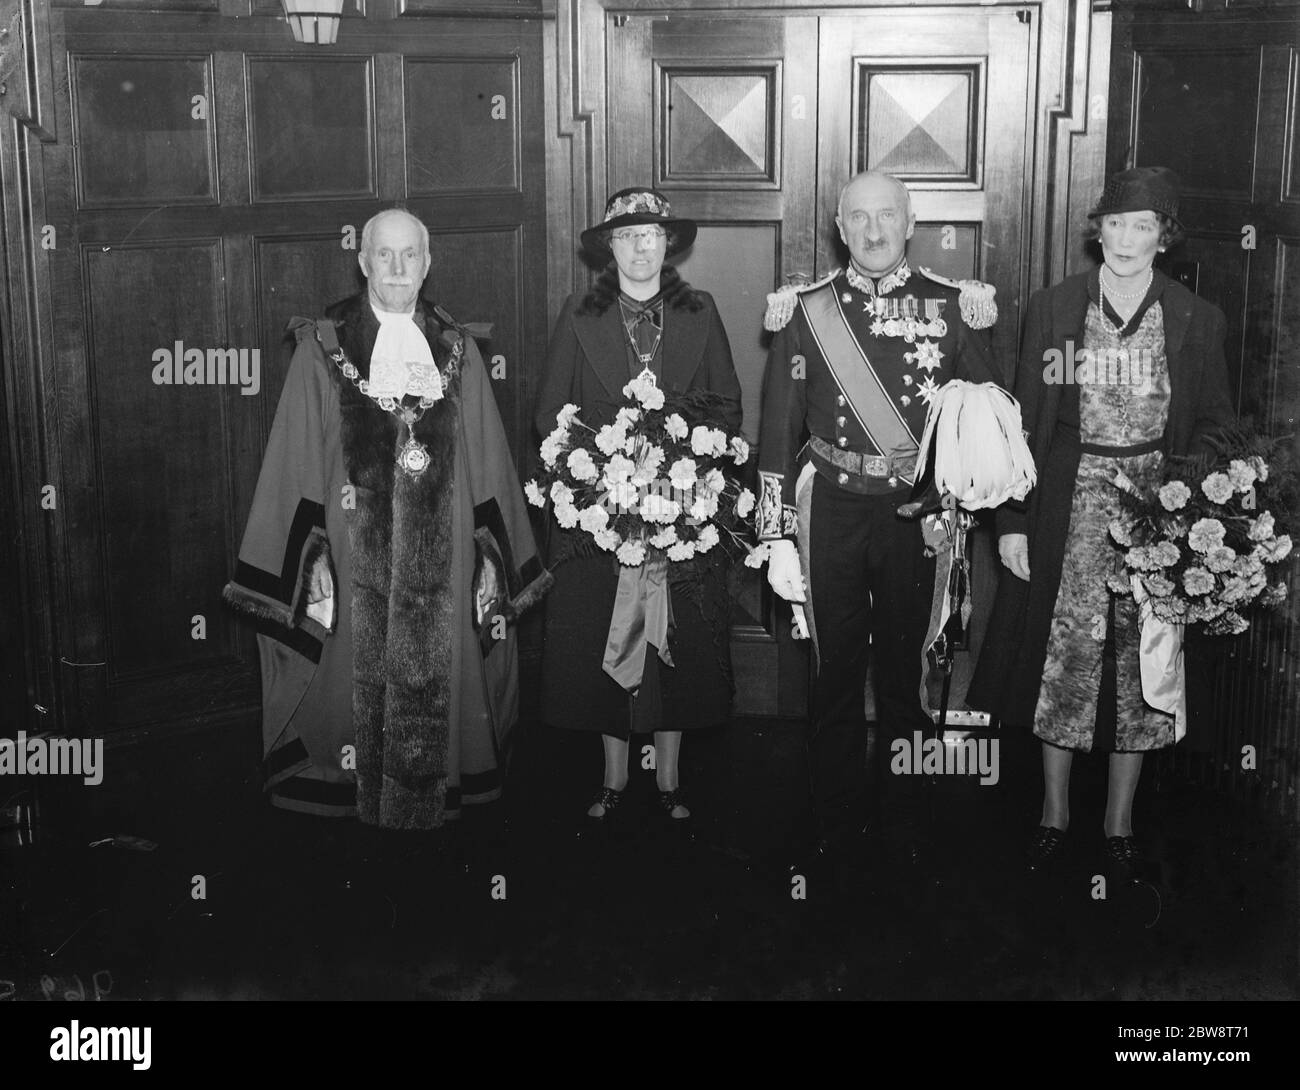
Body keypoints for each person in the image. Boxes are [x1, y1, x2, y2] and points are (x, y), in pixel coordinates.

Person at [224, 207, 551, 830]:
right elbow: (294, 457)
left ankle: (439, 789)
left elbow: (487, 457)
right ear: (363, 260)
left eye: (410, 256)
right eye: (384, 255)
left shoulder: (458, 350)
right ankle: (348, 789)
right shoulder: (322, 348)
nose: (398, 269)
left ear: (427, 265)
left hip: (447, 558)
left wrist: (492, 556)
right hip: (354, 556)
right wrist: (309, 560)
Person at [968, 167, 1235, 878]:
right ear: (1099, 231)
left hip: (1157, 519)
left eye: (1143, 224)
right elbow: (1024, 422)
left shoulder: (1194, 321)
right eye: (1114, 223)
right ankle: (1054, 812)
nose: (1125, 238)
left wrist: (1187, 500)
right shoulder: (1056, 311)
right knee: (1065, 663)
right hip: (1068, 507)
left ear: (1163, 237)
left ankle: (1119, 822)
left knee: (1140, 667)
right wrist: (1014, 520)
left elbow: (1216, 425)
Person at [758, 170, 1001, 862]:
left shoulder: (955, 306)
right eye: (858, 218)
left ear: (910, 222)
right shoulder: (806, 310)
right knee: (831, 673)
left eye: (886, 216)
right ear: (840, 226)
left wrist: (959, 504)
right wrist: (776, 532)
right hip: (831, 505)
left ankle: (906, 815)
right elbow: (778, 424)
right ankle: (833, 817)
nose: (872, 231)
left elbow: (983, 421)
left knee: (910, 672)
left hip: (914, 513)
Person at [534, 187, 742, 827]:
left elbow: (726, 408)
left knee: (673, 653)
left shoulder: (700, 311)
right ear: (610, 248)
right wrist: (591, 485)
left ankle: (671, 781)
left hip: (683, 513)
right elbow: (551, 415)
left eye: (653, 234)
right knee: (611, 640)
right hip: (605, 518)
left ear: (669, 243)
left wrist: (696, 490)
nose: (643, 246)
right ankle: (615, 778)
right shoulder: (579, 312)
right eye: (628, 236)